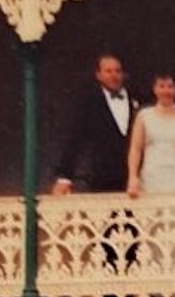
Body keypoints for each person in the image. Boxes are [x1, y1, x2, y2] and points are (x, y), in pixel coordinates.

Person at [52, 52, 135, 194]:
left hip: (135, 178)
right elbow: (75, 140)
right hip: (102, 176)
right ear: (99, 75)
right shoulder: (89, 103)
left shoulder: (136, 97)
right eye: (108, 71)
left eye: (117, 71)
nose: (114, 75)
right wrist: (65, 177)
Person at [126, 70, 175, 197]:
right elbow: (135, 149)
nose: (166, 91)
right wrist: (133, 177)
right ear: (154, 89)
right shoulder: (144, 116)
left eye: (170, 87)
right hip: (150, 178)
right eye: (161, 86)